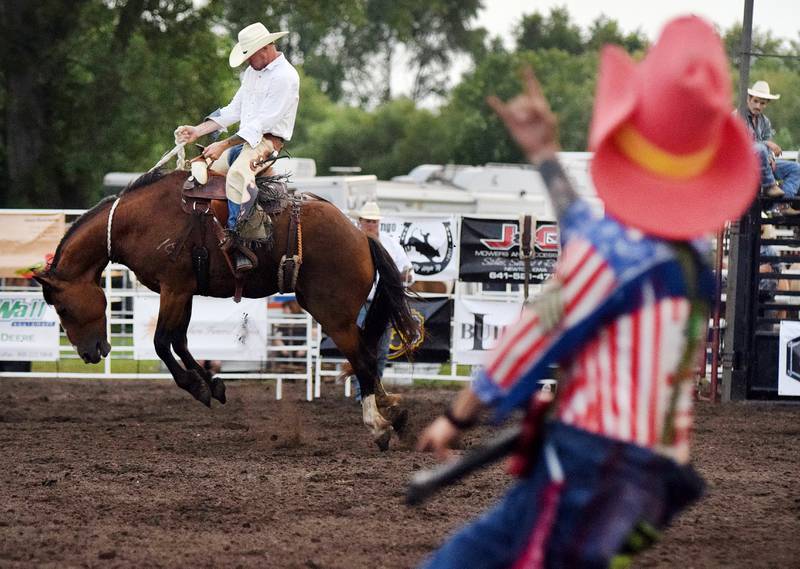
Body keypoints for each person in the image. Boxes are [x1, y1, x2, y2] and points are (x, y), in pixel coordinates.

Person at [416, 16, 757, 569]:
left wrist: (456, 416)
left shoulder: (609, 256)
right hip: (650, 482)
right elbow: (591, 242)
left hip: (590, 462)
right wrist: (546, 157)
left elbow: (535, 331)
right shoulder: (692, 265)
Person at [175, 22, 300, 272]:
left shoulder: (286, 77)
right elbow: (234, 109)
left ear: (266, 47)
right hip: (245, 141)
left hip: (266, 142)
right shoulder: (254, 72)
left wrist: (223, 144)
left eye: (250, 54)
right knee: (201, 169)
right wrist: (197, 130)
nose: (247, 61)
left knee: (237, 175)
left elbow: (263, 122)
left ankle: (240, 242)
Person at [350, 201, 414, 400]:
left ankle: (372, 390)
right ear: (360, 221)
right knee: (362, 347)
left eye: (374, 221)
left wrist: (406, 277)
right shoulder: (352, 243)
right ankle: (364, 392)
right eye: (368, 221)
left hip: (382, 302)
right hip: (360, 301)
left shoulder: (391, 244)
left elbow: (408, 270)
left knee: (381, 349)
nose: (371, 225)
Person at [742, 80, 800, 213]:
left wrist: (770, 158)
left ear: (766, 104)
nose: (758, 106)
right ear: (749, 99)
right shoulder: (739, 116)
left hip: (764, 166)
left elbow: (767, 149)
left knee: (796, 168)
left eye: (762, 103)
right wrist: (766, 145)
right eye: (755, 101)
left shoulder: (765, 121)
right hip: (745, 165)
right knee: (760, 148)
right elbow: (743, 146)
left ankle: (782, 205)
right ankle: (770, 186)